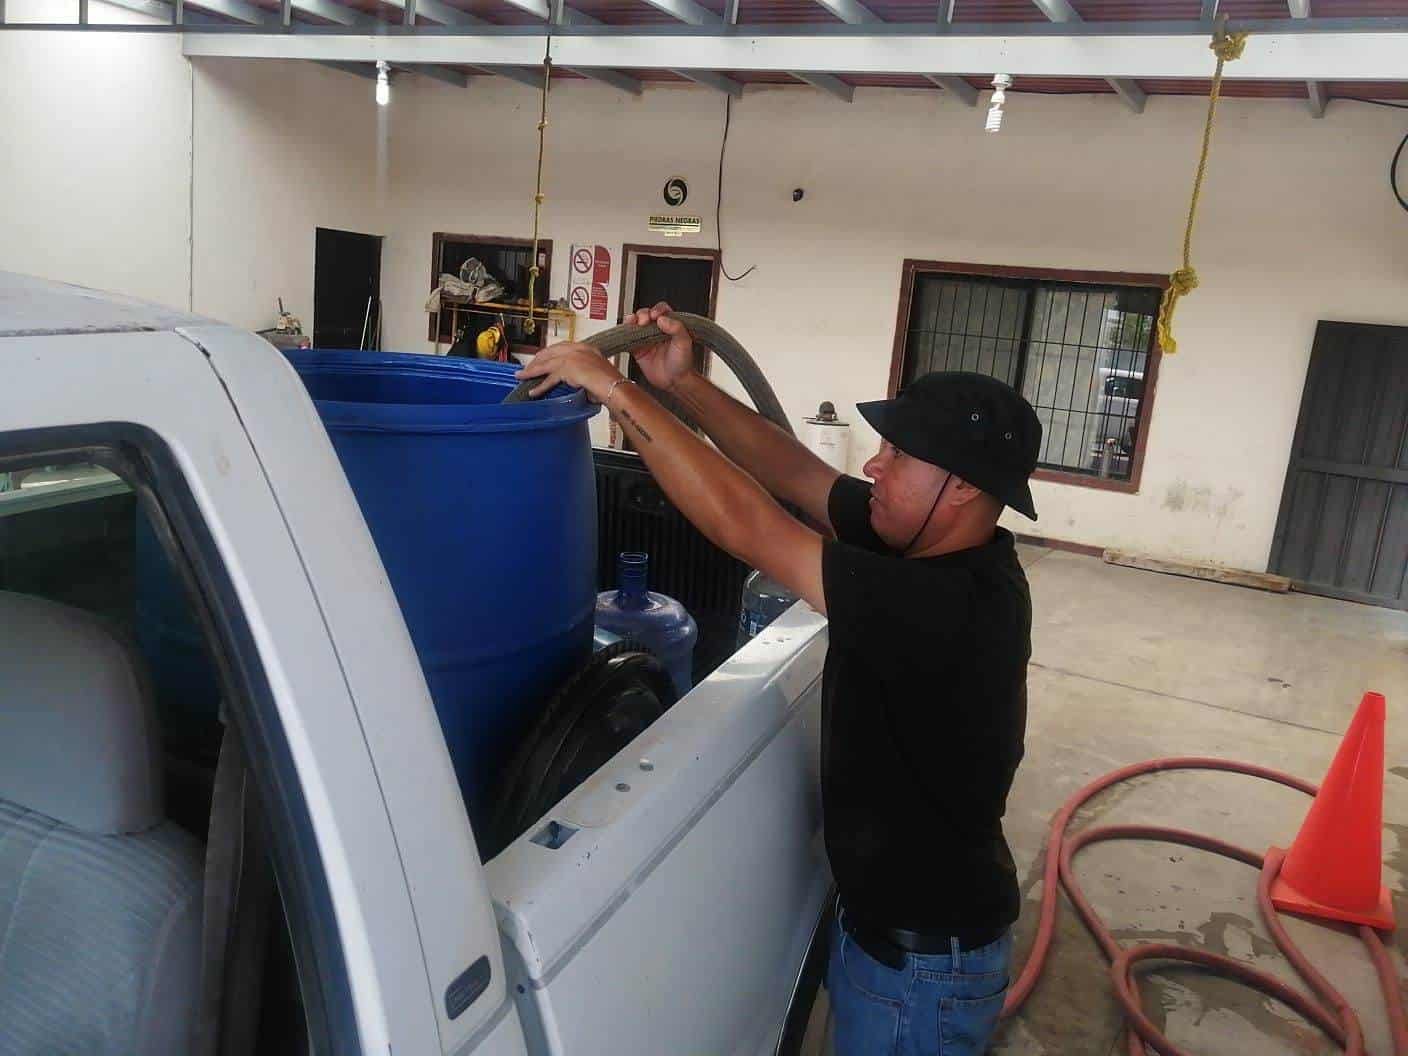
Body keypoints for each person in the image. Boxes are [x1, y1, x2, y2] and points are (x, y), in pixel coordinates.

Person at [517, 303, 1042, 1056]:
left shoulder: (950, 604)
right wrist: (683, 384)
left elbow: (754, 527)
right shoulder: (934, 545)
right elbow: (798, 475)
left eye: (896, 455)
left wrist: (619, 393)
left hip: (918, 971)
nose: (873, 466)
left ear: (958, 487)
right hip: (897, 941)